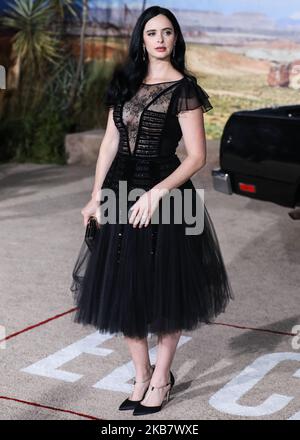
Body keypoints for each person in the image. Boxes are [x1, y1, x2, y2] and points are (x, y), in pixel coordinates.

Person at [70, 5, 234, 416]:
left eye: (167, 32)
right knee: (121, 287)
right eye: (151, 33)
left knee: (165, 289)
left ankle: (162, 378)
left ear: (176, 39)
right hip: (118, 192)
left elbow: (195, 157)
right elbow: (110, 143)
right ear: (141, 40)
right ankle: (141, 376)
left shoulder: (185, 90)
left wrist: (156, 193)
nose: (160, 39)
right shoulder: (125, 82)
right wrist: (95, 196)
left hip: (165, 196)